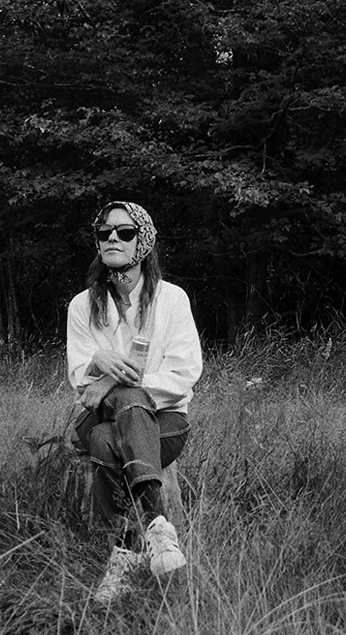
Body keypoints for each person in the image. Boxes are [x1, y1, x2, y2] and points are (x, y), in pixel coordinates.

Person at [66, 200, 203, 603]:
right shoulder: (82, 305)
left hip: (167, 421)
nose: (112, 238)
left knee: (105, 439)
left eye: (124, 232)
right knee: (106, 426)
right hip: (100, 417)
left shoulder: (172, 300)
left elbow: (183, 374)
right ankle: (158, 527)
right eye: (104, 232)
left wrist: (111, 378)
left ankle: (123, 556)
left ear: (143, 242)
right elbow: (80, 382)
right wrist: (96, 360)